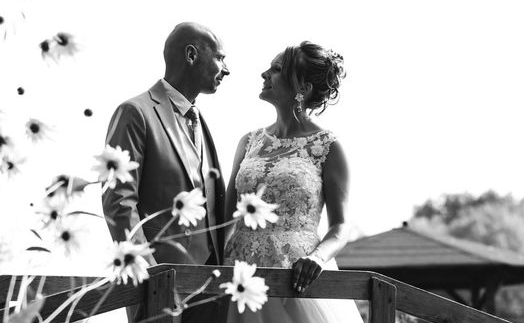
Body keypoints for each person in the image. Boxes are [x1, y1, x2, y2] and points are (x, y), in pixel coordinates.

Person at [223, 41, 363, 323]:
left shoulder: (328, 147)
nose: (264, 74)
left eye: (276, 69)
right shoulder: (248, 142)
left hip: (296, 277)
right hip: (240, 276)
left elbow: (340, 227)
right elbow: (225, 216)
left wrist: (318, 259)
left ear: (304, 88)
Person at [102, 22, 229, 321]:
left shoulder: (202, 121)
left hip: (212, 290)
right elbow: (119, 203)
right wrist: (150, 277)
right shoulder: (134, 112)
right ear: (191, 55)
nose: (227, 69)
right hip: (158, 290)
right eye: (221, 58)